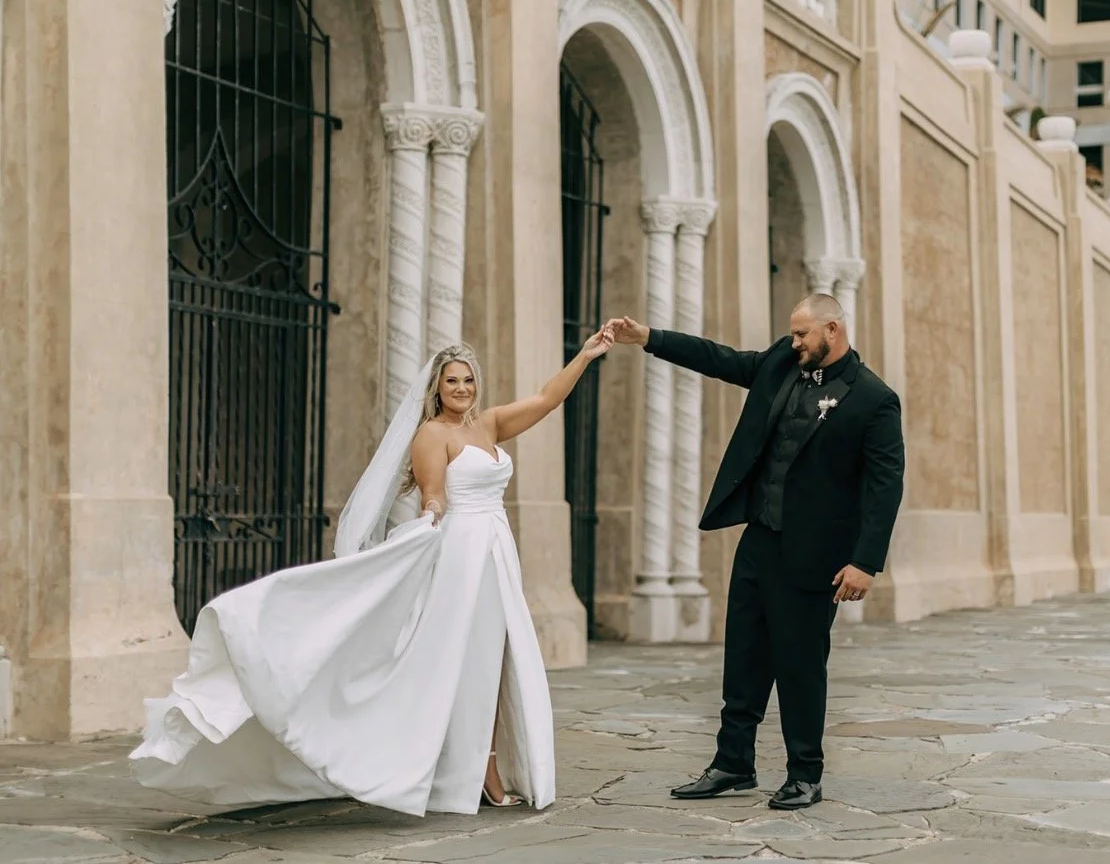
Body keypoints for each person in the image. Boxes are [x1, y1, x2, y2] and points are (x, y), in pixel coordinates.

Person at [129, 330, 614, 816]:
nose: (461, 389)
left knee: (495, 660)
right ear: (437, 388)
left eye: (467, 380)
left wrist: (586, 356)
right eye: (452, 381)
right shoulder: (432, 434)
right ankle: (476, 775)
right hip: (463, 554)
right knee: (471, 664)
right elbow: (433, 492)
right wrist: (431, 513)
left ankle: (479, 768)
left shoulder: (487, 425)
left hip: (496, 551)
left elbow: (548, 399)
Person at [606, 294, 904, 810]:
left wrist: (865, 561)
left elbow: (885, 485)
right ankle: (732, 764)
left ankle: (805, 773)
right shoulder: (782, 365)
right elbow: (721, 359)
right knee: (742, 657)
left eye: (802, 335)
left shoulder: (873, 399)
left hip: (817, 557)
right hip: (760, 540)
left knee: (800, 665)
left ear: (832, 330)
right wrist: (649, 338)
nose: (794, 343)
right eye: (791, 335)